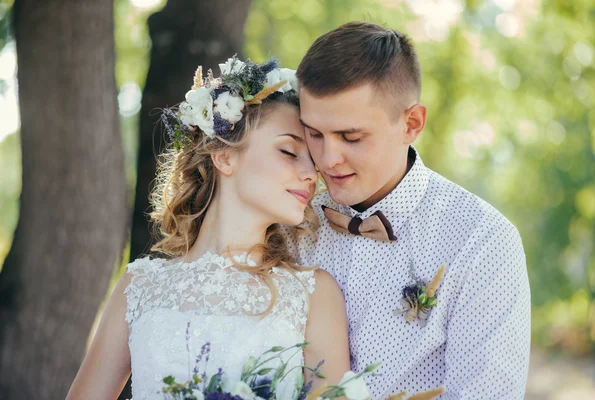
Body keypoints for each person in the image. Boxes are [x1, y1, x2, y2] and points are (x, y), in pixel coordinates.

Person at [66, 56, 350, 399]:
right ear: (225, 156)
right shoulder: (137, 288)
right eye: (289, 151)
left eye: (314, 162)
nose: (310, 173)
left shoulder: (313, 294)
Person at [282, 22, 531, 399]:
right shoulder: (286, 225)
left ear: (411, 123)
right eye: (314, 134)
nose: (328, 159)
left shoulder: (484, 242)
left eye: (351, 136)